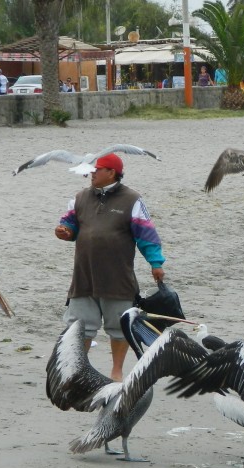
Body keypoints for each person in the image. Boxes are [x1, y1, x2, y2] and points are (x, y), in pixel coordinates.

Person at [54, 153, 166, 381]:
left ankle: (116, 371)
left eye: (97, 169)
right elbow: (69, 224)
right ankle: (78, 369)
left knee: (119, 327)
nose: (91, 173)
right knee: (79, 326)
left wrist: (156, 263)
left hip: (118, 277)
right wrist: (64, 231)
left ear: (112, 173)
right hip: (84, 276)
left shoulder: (132, 200)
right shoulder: (80, 197)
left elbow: (146, 235)